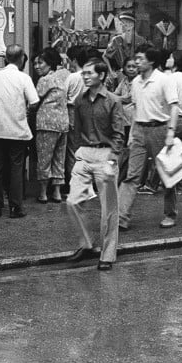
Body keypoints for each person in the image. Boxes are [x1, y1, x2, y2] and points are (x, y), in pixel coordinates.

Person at [68, 59, 126, 271]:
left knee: (109, 208)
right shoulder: (80, 100)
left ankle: (107, 255)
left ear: (101, 76)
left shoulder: (113, 101)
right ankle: (86, 243)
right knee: (73, 201)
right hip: (84, 154)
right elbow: (76, 129)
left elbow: (119, 132)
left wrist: (113, 158)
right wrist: (77, 152)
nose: (84, 76)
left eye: (89, 73)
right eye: (83, 73)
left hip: (106, 154)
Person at [118, 49, 179, 230]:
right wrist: (132, 135)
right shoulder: (136, 82)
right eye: (135, 58)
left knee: (167, 174)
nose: (136, 62)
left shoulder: (164, 80)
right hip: (139, 130)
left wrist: (170, 132)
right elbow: (137, 109)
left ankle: (170, 214)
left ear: (151, 62)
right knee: (132, 175)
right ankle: (121, 217)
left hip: (160, 129)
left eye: (140, 58)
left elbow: (174, 107)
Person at [0, 45, 39, 218]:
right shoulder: (24, 78)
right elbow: (35, 101)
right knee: (16, 168)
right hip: (18, 130)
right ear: (22, 58)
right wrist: (25, 112)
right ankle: (16, 207)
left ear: (6, 58)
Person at [33, 48, 69, 204]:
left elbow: (34, 101)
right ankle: (57, 192)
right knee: (59, 158)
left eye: (40, 62)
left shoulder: (44, 80)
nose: (37, 66)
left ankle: (42, 193)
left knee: (44, 158)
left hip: (46, 123)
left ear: (50, 63)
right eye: (35, 63)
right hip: (63, 122)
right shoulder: (64, 76)